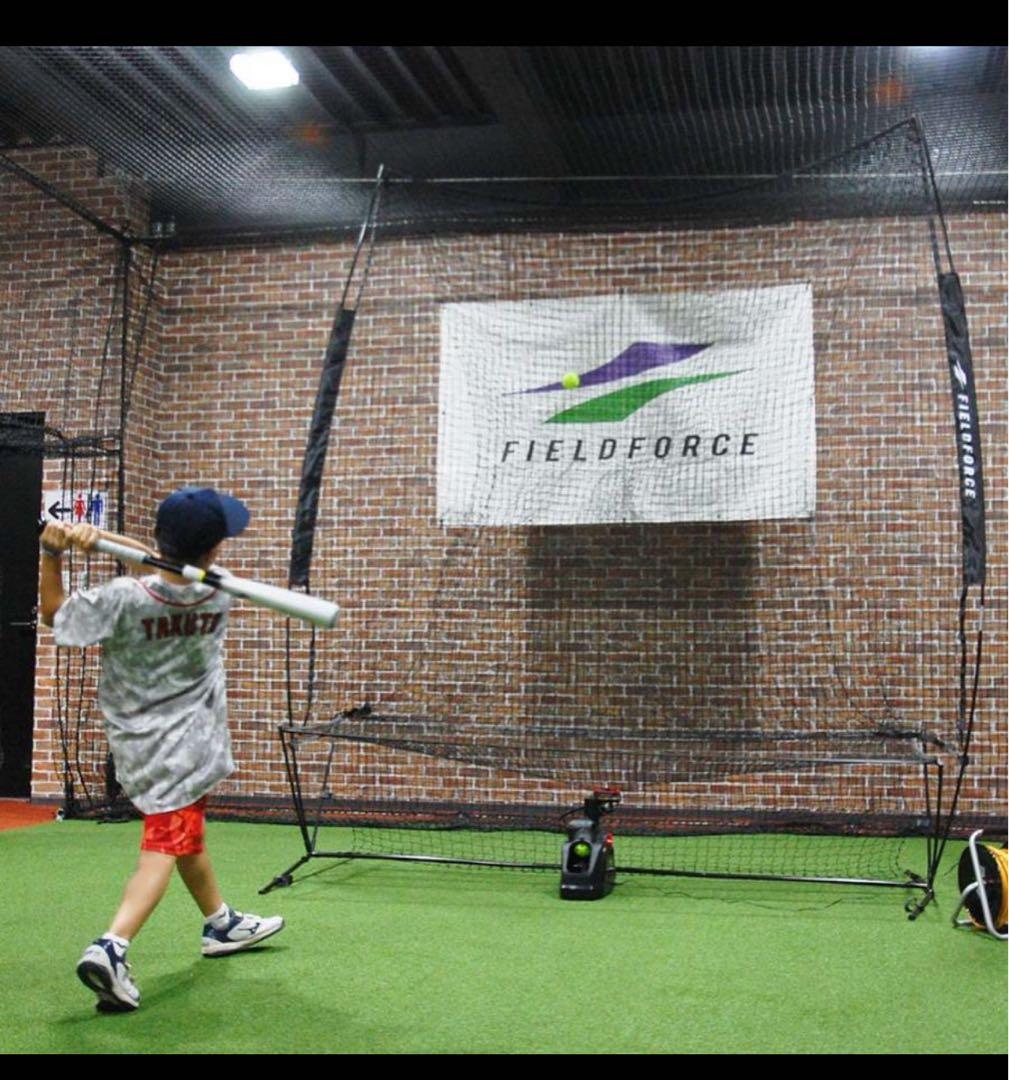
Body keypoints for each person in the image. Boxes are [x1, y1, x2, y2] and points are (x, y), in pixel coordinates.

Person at [39, 487, 284, 1013]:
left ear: (159, 537)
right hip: (188, 748)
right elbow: (154, 564)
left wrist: (53, 553)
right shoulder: (218, 591)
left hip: (137, 744)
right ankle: (112, 947)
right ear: (214, 548)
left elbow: (54, 615)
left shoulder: (123, 599)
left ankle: (220, 923)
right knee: (165, 845)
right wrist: (100, 540)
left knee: (184, 832)